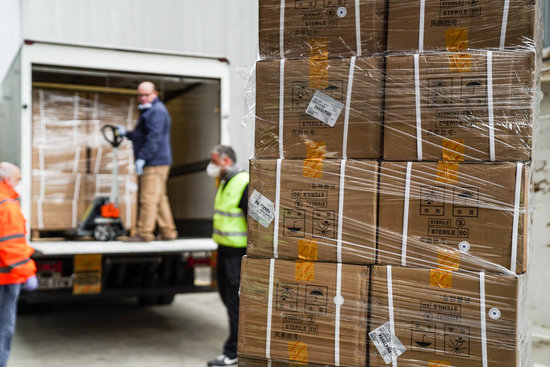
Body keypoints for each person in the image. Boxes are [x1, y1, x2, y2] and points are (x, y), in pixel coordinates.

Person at [118, 81, 178, 242]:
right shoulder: (150, 111)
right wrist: (127, 134)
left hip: (154, 162)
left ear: (155, 94)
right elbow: (143, 135)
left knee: (148, 198)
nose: (143, 98)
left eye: (146, 95)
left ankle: (144, 233)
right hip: (158, 161)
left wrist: (143, 157)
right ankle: (168, 231)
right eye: (141, 95)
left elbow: (154, 138)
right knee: (159, 197)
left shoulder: (156, 111)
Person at [206, 145, 248, 367]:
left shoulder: (243, 182)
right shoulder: (226, 182)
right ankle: (238, 346)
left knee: (234, 302)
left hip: (237, 255)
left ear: (225, 161)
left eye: (214, 161)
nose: (210, 166)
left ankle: (233, 352)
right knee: (226, 297)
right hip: (224, 251)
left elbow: (254, 223)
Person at [0, 162, 38, 367]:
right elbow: (12, 245)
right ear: (7, 180)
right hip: (5, 279)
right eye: (18, 180)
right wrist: (28, 273)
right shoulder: (6, 205)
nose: (19, 184)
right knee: (3, 329)